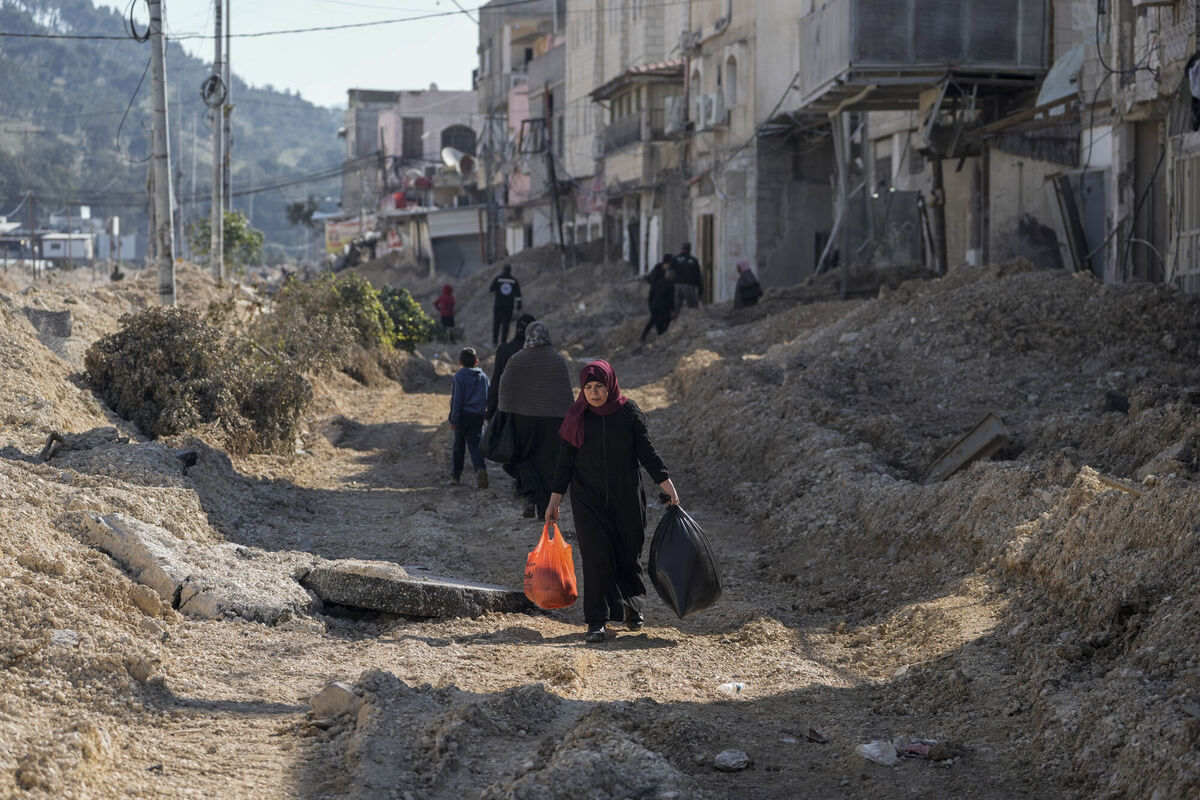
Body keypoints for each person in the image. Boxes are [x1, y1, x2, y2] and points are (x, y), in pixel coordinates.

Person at [546, 360, 679, 643]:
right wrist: (554, 500)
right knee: (596, 558)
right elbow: (564, 463)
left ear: (610, 385)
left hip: (626, 498)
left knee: (628, 554)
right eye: (588, 387)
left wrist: (666, 483)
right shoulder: (576, 417)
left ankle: (632, 607)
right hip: (587, 500)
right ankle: (597, 620)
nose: (594, 393)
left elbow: (647, 452)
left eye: (599, 386)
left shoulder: (628, 412)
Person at [495, 322, 574, 518]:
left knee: (526, 461)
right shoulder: (557, 360)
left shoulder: (517, 359)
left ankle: (530, 499)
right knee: (548, 464)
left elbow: (504, 386)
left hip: (524, 420)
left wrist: (506, 412)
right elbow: (566, 394)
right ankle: (545, 507)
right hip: (552, 421)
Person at [448, 347, 489, 489]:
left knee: (458, 446)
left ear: (459, 362)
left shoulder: (459, 376)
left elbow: (457, 400)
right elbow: (487, 397)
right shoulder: (483, 377)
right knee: (476, 445)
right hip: (477, 416)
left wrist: (453, 419)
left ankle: (456, 476)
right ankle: (480, 469)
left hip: (462, 417)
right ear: (476, 361)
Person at [486, 312, 536, 424]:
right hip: (532, 412)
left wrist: (490, 411)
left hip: (506, 409)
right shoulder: (537, 352)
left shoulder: (504, 350)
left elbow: (497, 380)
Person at [640, 255, 675, 343]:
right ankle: (655, 336)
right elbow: (671, 298)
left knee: (655, 319)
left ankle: (651, 336)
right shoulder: (659, 273)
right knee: (659, 319)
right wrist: (672, 308)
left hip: (656, 301)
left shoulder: (661, 281)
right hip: (660, 303)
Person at [489, 264, 523, 346]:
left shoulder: (498, 279)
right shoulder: (514, 280)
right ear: (510, 270)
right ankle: (503, 342)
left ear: (503, 270)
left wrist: (498, 290)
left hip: (498, 305)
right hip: (509, 305)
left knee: (496, 323)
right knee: (506, 324)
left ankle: (494, 341)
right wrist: (519, 305)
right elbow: (518, 295)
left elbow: (491, 289)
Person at [671, 242, 703, 314]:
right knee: (694, 309)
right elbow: (698, 278)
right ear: (690, 249)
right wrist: (700, 292)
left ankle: (674, 323)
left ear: (681, 249)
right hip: (689, 286)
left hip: (677, 286)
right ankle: (693, 323)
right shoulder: (694, 261)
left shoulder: (675, 259)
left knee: (675, 309)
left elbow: (670, 275)